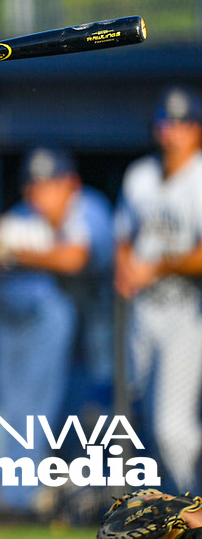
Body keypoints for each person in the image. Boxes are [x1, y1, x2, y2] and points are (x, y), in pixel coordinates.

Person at [0, 147, 114, 520]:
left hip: (111, 330)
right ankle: (24, 499)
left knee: (112, 415)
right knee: (29, 408)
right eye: (33, 184)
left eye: (49, 183)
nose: (39, 193)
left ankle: (130, 497)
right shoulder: (25, 217)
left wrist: (14, 250)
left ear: (70, 183)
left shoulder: (88, 208)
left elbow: (74, 258)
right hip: (65, 328)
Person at [114, 86, 202, 493]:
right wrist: (126, 268)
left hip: (187, 310)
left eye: (182, 123)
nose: (171, 131)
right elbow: (123, 238)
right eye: (166, 122)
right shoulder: (140, 175)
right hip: (143, 309)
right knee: (148, 421)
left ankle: (192, 503)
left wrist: (159, 266)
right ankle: (178, 507)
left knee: (172, 427)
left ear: (196, 129)